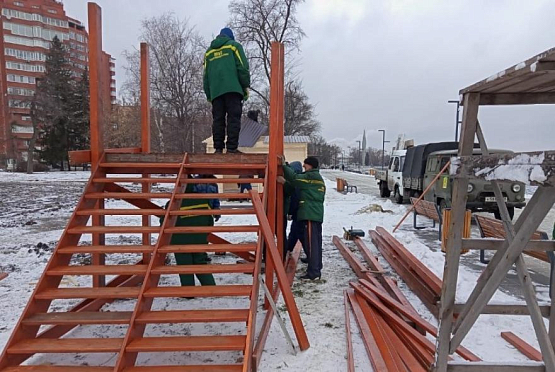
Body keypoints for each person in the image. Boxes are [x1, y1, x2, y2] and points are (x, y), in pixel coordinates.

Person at [160, 179, 220, 288]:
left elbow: (164, 222)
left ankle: (188, 291)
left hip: (180, 241)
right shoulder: (202, 201)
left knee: (184, 266)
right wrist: (204, 234)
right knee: (200, 263)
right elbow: (209, 220)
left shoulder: (173, 203)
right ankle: (210, 287)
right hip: (199, 239)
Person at [203, 27, 250, 154]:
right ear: (230, 37)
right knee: (233, 118)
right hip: (233, 89)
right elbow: (243, 68)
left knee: (218, 119)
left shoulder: (208, 53)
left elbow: (206, 76)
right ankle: (231, 148)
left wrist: (209, 95)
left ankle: (218, 148)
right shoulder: (234, 46)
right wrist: (245, 86)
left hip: (216, 93)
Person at [283, 156, 326, 280]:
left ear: (310, 165)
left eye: (305, 164)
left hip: (309, 215)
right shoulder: (316, 178)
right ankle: (316, 267)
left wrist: (284, 165)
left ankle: (313, 273)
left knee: (312, 245)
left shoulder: (311, 177)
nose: (304, 167)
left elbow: (295, 178)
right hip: (314, 215)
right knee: (315, 243)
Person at [284, 161, 306, 261]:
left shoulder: (296, 182)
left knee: (300, 233)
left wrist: (290, 212)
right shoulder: (301, 179)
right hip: (301, 211)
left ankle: (310, 256)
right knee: (295, 232)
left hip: (299, 212)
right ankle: (288, 248)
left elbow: (294, 199)